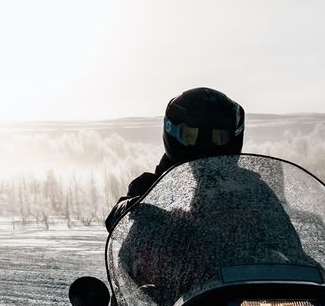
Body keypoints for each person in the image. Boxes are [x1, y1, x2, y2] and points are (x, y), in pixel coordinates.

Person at [104, 87, 246, 232]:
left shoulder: (250, 190)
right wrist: (134, 209)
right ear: (172, 132)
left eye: (218, 137)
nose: (204, 145)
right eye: (191, 135)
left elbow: (270, 235)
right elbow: (115, 219)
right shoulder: (150, 185)